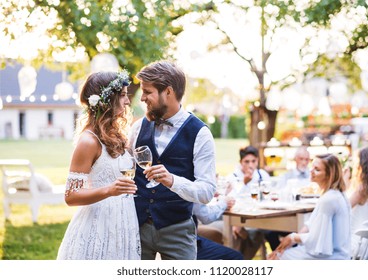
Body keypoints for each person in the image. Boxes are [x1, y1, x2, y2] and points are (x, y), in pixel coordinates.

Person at [129, 60, 216, 260]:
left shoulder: (200, 134)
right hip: (137, 227)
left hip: (178, 231)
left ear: (168, 91)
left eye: (147, 91)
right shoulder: (137, 128)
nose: (142, 98)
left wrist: (172, 181)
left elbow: (207, 191)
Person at [57, 71, 141, 260]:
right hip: (97, 224)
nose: (127, 101)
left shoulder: (118, 134)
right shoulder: (88, 141)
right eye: (122, 95)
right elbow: (71, 196)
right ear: (107, 99)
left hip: (123, 222)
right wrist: (109, 190)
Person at [268, 154, 351, 260]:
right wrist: (293, 238)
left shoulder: (329, 199)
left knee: (276, 258)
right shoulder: (333, 194)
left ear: (329, 175)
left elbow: (316, 239)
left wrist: (292, 238)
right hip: (336, 254)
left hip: (332, 257)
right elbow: (310, 225)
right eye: (312, 167)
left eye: (317, 169)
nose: (311, 170)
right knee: (279, 253)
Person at [226, 145, 271, 259]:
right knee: (240, 229)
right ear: (241, 162)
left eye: (253, 161)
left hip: (260, 214)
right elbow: (230, 198)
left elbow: (269, 195)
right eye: (246, 161)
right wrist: (244, 182)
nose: (250, 165)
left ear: (257, 161)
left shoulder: (262, 175)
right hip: (239, 214)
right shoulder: (233, 177)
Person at [265, 146, 311, 251]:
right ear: (295, 159)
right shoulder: (286, 177)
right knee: (269, 232)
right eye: (301, 159)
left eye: (306, 159)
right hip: (289, 217)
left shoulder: (312, 176)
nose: (304, 162)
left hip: (308, 218)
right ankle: (279, 255)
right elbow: (277, 193)